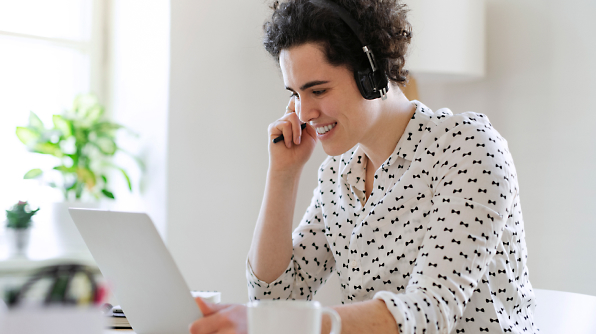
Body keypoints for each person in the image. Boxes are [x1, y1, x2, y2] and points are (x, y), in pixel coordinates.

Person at [189, 0, 538, 333]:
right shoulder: (337, 174)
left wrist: (295, 325)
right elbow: (274, 302)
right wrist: (283, 174)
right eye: (295, 94)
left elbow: (432, 312)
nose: (303, 113)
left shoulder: (466, 147)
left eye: (319, 90)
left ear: (371, 73)